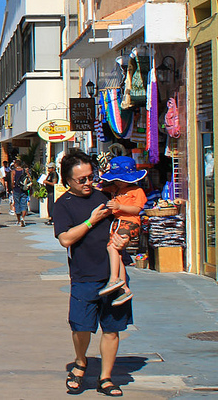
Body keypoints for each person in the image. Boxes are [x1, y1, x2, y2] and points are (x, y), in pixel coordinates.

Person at [54, 149, 130, 397]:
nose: (88, 183)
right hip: (84, 275)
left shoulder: (106, 197)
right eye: (82, 179)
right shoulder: (62, 205)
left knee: (111, 328)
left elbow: (124, 226)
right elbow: (65, 239)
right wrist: (91, 221)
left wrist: (125, 239)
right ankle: (80, 362)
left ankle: (105, 378)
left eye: (90, 177)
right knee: (81, 327)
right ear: (68, 180)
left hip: (114, 275)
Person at [97, 156, 147, 307]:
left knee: (112, 247)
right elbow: (100, 187)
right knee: (116, 252)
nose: (117, 182)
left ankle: (114, 279)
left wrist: (119, 207)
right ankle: (124, 287)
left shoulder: (136, 191)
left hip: (129, 222)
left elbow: (137, 209)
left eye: (120, 179)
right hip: (117, 222)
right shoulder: (116, 189)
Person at [11, 160, 32, 227]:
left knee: (17, 204)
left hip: (16, 189)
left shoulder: (13, 171)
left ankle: (19, 220)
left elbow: (12, 181)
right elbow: (30, 179)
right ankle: (23, 218)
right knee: (23, 204)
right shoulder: (24, 171)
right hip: (24, 189)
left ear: (16, 164)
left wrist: (12, 188)